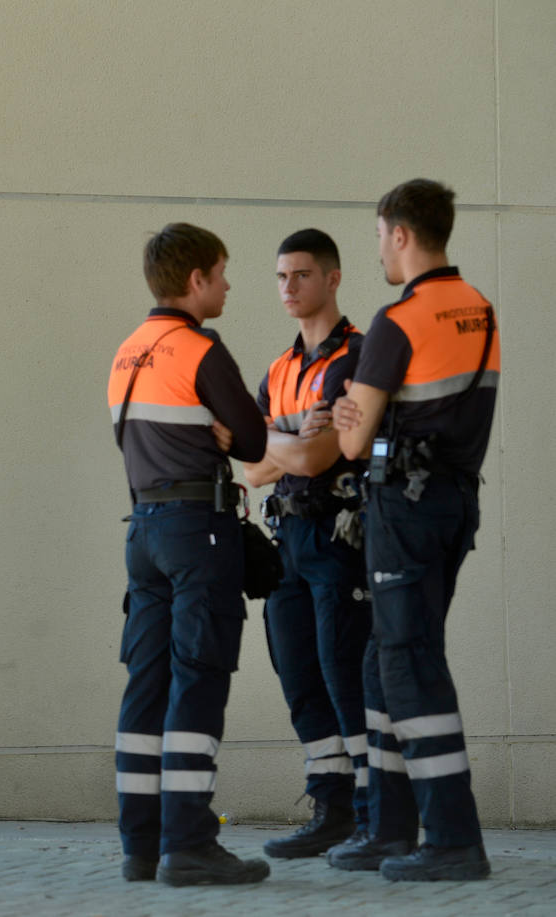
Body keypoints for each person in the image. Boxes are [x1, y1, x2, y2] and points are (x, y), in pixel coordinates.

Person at [331, 179, 498, 881]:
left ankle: (453, 837)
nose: (379, 251)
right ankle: (391, 827)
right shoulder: (478, 309)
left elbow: (350, 440)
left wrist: (347, 412)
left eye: (378, 237)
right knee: (385, 659)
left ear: (400, 233)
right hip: (454, 502)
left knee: (409, 661)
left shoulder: (398, 320)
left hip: (403, 507)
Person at [107, 223, 270, 886]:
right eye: (222, 273)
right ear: (196, 280)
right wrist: (226, 430)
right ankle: (190, 843)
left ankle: (140, 845)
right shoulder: (199, 349)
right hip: (197, 530)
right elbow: (254, 439)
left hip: (143, 531)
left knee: (146, 684)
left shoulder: (128, 350)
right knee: (198, 677)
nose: (228, 284)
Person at [240, 229, 371, 858]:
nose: (288, 289)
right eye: (281, 277)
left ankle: (377, 815)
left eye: (301, 276)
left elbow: (320, 458)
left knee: (345, 673)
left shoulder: (360, 358)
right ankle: (333, 807)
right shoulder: (280, 367)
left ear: (333, 278)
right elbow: (253, 468)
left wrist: (275, 437)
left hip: (339, 536)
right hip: (286, 537)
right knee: (297, 673)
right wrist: (291, 433)